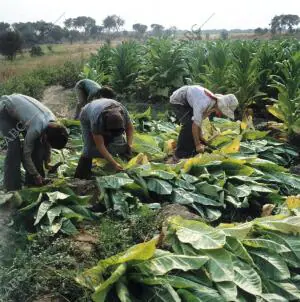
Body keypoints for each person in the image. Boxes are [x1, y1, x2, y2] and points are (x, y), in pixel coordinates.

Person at [0, 94, 69, 191]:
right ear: (45, 136)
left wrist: (47, 161)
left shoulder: (54, 124)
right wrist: (35, 174)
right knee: (14, 148)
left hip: (24, 113)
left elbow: (47, 143)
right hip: (6, 110)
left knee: (38, 146)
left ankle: (34, 181)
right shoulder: (36, 129)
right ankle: (12, 187)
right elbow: (26, 154)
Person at [169, 85, 239, 161]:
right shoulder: (203, 103)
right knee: (188, 125)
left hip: (190, 100)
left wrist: (200, 137)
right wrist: (198, 145)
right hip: (178, 100)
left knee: (193, 129)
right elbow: (195, 125)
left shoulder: (212, 104)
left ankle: (190, 152)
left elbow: (199, 122)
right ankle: (179, 154)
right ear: (221, 106)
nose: (222, 113)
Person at [74, 98, 134, 179]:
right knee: (89, 148)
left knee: (119, 144)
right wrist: (114, 164)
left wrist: (129, 145)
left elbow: (130, 128)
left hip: (104, 107)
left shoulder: (123, 113)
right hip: (87, 114)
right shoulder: (97, 121)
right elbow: (100, 145)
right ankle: (82, 174)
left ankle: (126, 163)